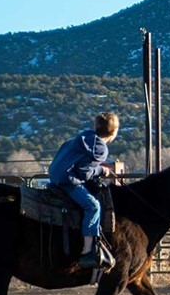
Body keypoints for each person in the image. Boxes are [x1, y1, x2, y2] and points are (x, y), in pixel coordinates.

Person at [48, 112, 119, 269]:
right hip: (68, 181)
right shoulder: (100, 148)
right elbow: (84, 172)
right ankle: (87, 251)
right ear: (113, 132)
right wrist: (102, 171)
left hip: (55, 177)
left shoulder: (81, 138)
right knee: (93, 206)